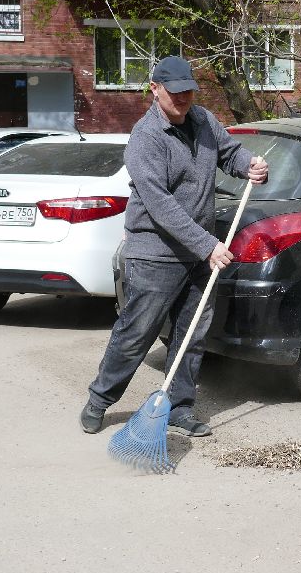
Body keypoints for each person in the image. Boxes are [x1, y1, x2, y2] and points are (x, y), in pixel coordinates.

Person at [80, 55, 268, 437]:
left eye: (188, 91)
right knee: (137, 332)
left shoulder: (202, 120)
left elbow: (229, 154)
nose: (183, 98)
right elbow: (160, 203)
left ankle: (179, 407)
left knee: (192, 333)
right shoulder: (145, 138)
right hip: (155, 254)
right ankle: (100, 399)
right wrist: (207, 245)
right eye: (175, 92)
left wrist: (249, 164)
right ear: (155, 89)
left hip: (200, 253)